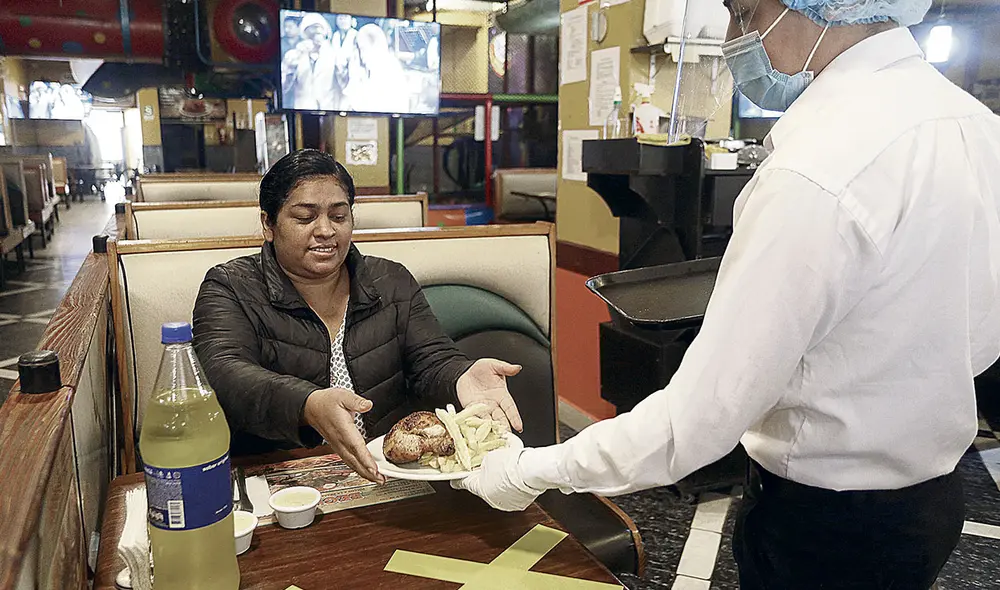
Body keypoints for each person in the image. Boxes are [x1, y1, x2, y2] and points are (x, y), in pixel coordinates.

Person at [453, 0, 1000, 588]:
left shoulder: (815, 169)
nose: (735, 38)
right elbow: (976, 336)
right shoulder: (974, 124)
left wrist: (528, 471)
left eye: (742, 13)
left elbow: (695, 422)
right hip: (932, 503)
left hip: (825, 524)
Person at [192, 150, 523, 483]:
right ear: (269, 224)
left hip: (390, 473)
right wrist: (307, 404)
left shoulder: (391, 281)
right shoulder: (229, 286)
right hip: (283, 477)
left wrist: (461, 375)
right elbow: (223, 374)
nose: (325, 230)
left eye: (338, 216)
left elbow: (432, 359)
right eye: (305, 217)